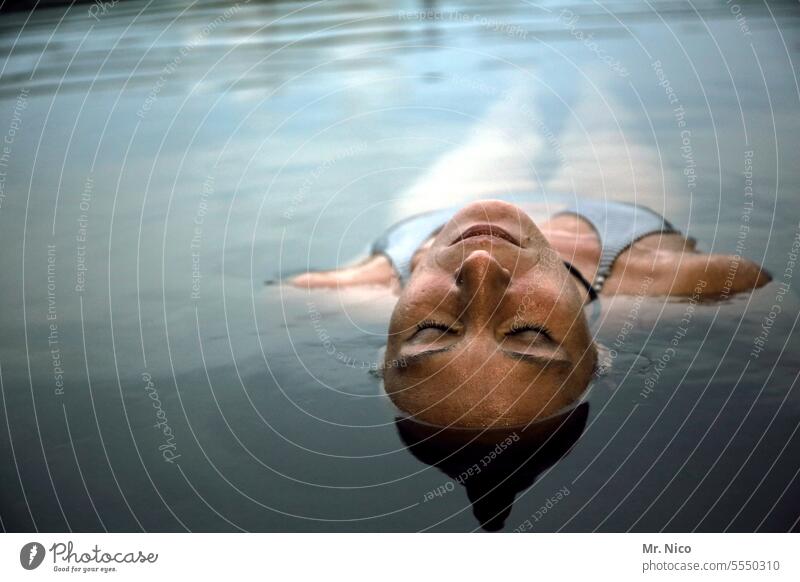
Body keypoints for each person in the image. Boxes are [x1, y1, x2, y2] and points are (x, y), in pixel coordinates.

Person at [292, 197, 771, 428]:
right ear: (595, 351)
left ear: (386, 348)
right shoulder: (693, 285)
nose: (481, 268)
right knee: (603, 108)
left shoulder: (338, 293)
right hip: (615, 219)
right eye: (528, 333)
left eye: (435, 329)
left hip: (428, 219)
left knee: (502, 122)